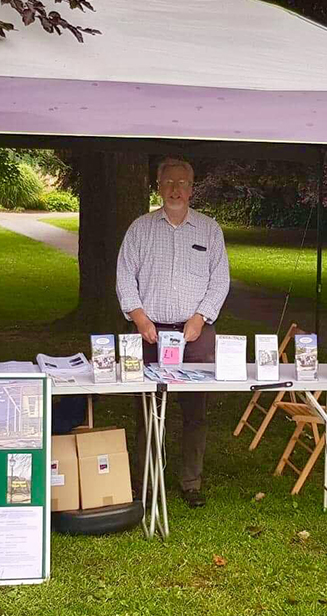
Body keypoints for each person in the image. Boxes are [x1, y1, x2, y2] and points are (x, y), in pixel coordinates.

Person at [116, 157, 230, 508]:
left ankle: (191, 482)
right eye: (168, 183)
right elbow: (124, 277)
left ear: (192, 189)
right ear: (158, 186)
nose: (175, 190)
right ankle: (148, 481)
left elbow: (220, 280)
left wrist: (200, 318)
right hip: (148, 334)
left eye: (182, 183)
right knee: (148, 410)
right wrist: (139, 319)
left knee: (195, 413)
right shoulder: (140, 228)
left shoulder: (210, 230)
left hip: (195, 335)